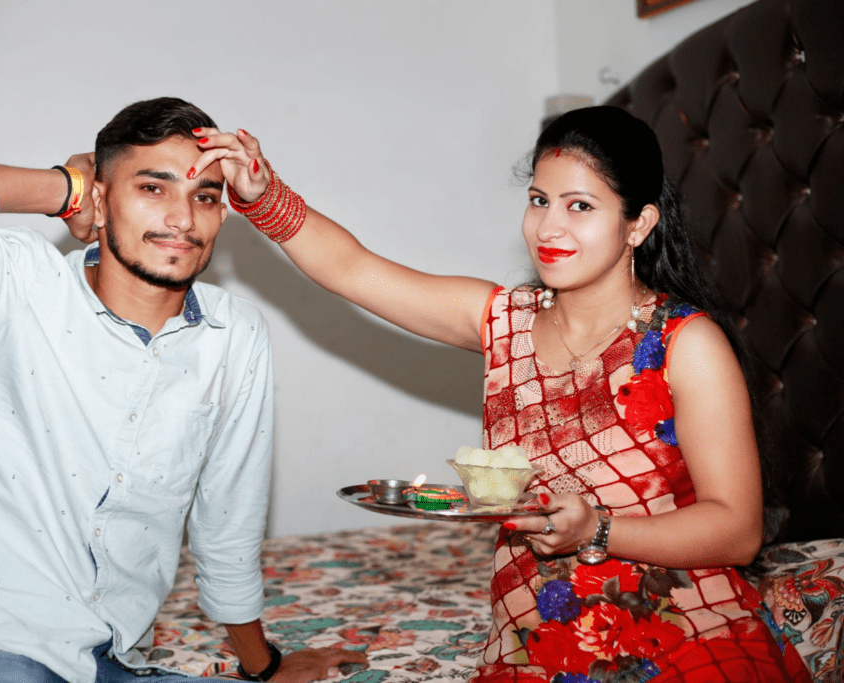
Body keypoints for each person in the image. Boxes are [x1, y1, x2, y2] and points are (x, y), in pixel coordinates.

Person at [153, 106, 812, 682]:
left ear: (638, 225)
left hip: (683, 626)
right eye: (538, 199)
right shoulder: (506, 320)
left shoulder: (685, 343)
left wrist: (602, 528)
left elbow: (738, 529)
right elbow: (355, 269)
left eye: (580, 206)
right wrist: (263, 193)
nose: (549, 227)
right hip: (537, 633)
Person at [0, 97, 365, 683]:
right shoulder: (21, 285)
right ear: (103, 199)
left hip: (112, 664)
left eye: (203, 196)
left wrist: (265, 669)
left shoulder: (236, 334)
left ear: (220, 217)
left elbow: (228, 523)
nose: (182, 219)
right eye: (153, 188)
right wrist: (66, 188)